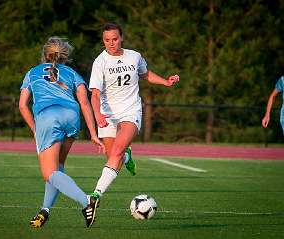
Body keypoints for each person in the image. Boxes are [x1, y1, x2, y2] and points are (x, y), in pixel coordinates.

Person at [19, 37, 104, 228]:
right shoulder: (73, 73)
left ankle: (87, 201)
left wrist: (35, 128)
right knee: (57, 167)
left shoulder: (32, 73)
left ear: (44, 54)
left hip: (48, 118)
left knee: (49, 173)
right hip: (71, 117)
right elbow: (84, 102)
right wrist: (93, 133)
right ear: (65, 56)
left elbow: (22, 105)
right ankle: (45, 210)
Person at [89, 22, 180, 201]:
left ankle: (96, 194)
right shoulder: (100, 62)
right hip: (108, 115)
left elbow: (145, 74)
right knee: (114, 157)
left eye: (115, 39)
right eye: (107, 40)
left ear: (121, 37)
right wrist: (98, 114)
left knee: (116, 152)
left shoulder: (134, 56)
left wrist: (165, 82)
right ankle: (128, 155)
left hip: (131, 110)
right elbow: (95, 94)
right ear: (103, 40)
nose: (111, 43)